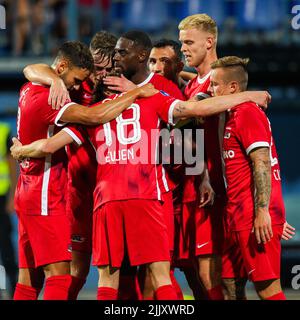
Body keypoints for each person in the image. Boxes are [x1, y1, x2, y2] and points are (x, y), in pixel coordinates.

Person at [11, 75, 271, 301]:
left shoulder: (90, 115)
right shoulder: (152, 100)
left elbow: (47, 147)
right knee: (160, 275)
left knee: (107, 280)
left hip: (107, 198)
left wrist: (20, 149)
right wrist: (247, 96)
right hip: (147, 194)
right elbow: (199, 109)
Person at [13, 40, 158, 300]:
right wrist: (136, 93)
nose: (79, 86)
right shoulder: (56, 100)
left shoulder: (29, 89)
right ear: (62, 67)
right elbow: (92, 118)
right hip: (49, 194)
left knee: (29, 278)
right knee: (60, 275)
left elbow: (31, 71)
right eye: (77, 80)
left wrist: (57, 80)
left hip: (32, 191)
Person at [22, 30, 118, 300]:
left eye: (104, 69)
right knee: (73, 270)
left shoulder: (120, 86)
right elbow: (31, 68)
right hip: (76, 188)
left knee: (119, 270)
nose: (97, 75)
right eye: (94, 69)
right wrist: (55, 80)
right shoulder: (75, 88)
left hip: (113, 188)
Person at [209, 56, 286, 300]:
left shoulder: (247, 114)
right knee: (229, 284)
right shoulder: (231, 113)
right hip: (236, 214)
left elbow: (262, 161)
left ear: (233, 88)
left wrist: (264, 212)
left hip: (253, 215)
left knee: (267, 288)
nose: (210, 90)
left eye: (214, 85)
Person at [177, 13, 226, 300]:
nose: (183, 48)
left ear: (209, 42)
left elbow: (187, 115)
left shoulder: (220, 80)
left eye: (188, 42)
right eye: (181, 42)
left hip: (215, 185)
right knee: (196, 269)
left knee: (211, 271)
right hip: (194, 183)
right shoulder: (196, 82)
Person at [0, 122, 18, 299]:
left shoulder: (3, 131)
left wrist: (13, 195)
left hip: (2, 196)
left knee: (5, 246)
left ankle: (13, 289)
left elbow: (12, 163)